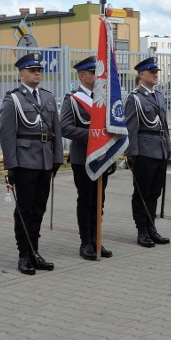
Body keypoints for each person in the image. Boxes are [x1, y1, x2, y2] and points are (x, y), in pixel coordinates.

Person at [0, 52, 64, 274]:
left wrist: (57, 158)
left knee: (39, 208)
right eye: (32, 70)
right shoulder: (13, 99)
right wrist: (11, 166)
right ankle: (24, 255)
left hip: (46, 160)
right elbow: (7, 135)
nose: (37, 73)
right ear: (21, 73)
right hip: (25, 161)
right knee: (25, 210)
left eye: (39, 70)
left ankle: (35, 251)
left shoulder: (47, 97)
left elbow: (55, 129)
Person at [59, 56, 112, 260]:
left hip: (102, 157)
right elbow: (65, 127)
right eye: (92, 73)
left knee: (100, 201)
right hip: (83, 158)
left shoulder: (103, 99)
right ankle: (85, 242)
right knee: (86, 200)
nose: (96, 76)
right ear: (82, 75)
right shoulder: (72, 99)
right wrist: (93, 136)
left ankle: (97, 238)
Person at [125, 57, 171, 248]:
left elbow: (165, 125)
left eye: (156, 72)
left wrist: (167, 148)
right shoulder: (134, 98)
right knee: (142, 193)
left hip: (159, 149)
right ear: (141, 75)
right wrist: (132, 154)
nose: (155, 75)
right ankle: (141, 229)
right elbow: (131, 128)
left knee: (154, 192)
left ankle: (151, 227)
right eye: (151, 72)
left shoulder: (158, 96)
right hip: (144, 150)